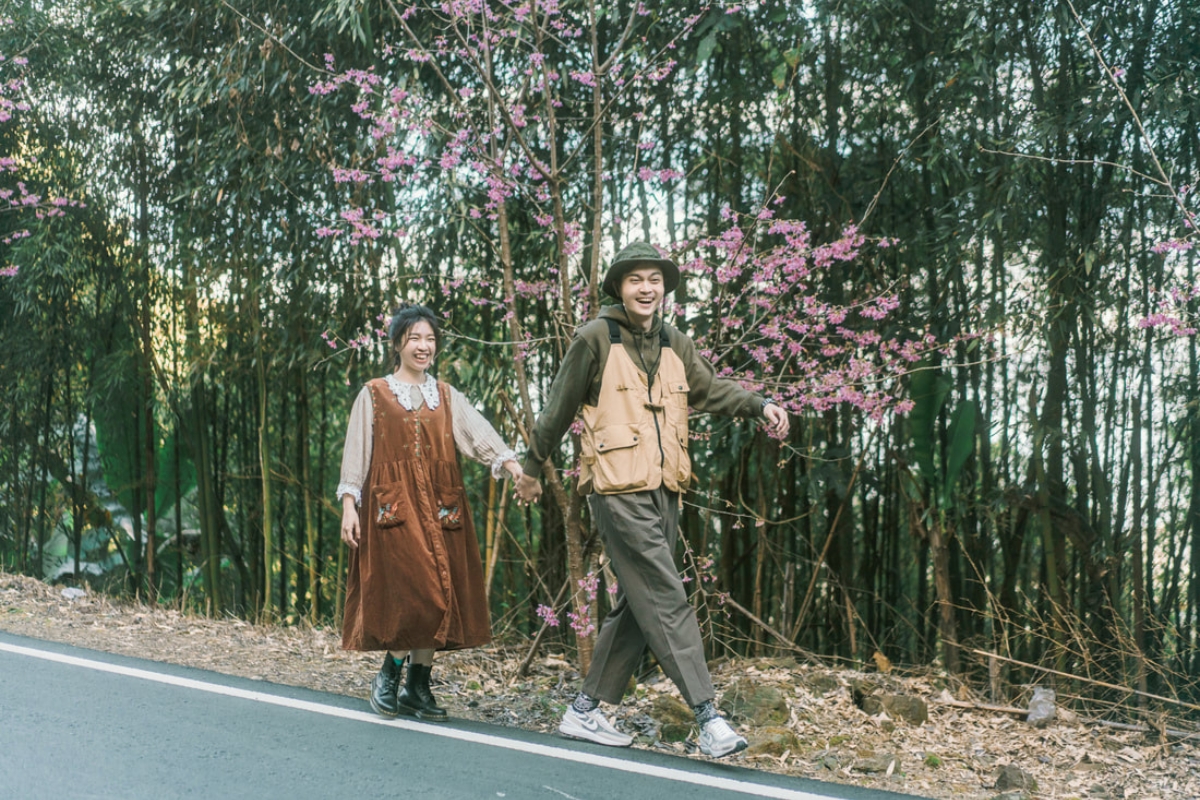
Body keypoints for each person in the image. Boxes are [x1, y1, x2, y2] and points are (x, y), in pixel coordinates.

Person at [514, 241, 790, 758]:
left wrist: (760, 404)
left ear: (664, 288)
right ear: (618, 286)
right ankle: (708, 716)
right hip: (617, 490)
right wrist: (532, 467)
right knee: (665, 595)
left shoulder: (674, 342)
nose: (647, 288)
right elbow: (558, 407)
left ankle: (584, 711)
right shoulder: (595, 337)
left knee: (639, 607)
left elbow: (709, 389)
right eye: (636, 279)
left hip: (665, 489)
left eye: (655, 279)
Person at [338, 303, 523, 721]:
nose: (424, 347)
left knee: (443, 594)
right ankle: (389, 674)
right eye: (415, 338)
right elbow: (357, 452)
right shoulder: (374, 393)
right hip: (395, 509)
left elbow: (478, 433)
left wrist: (511, 465)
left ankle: (418, 686)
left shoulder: (445, 394)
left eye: (430, 339)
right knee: (416, 595)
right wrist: (350, 505)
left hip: (442, 507)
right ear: (397, 343)